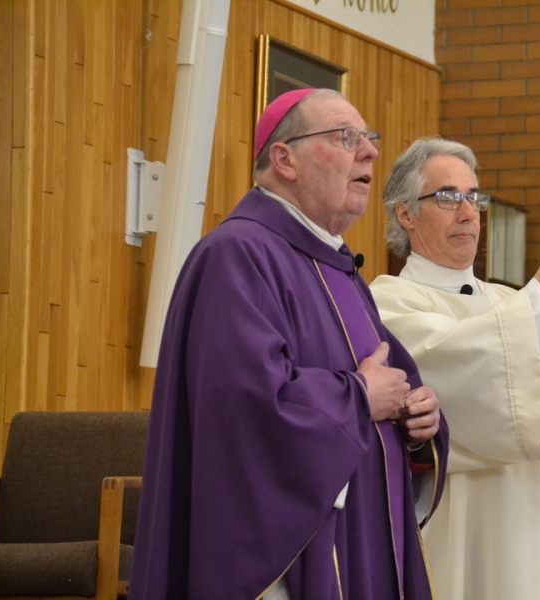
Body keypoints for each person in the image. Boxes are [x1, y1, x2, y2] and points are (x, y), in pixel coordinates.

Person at [129, 89, 449, 600]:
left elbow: (388, 384)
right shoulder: (238, 255)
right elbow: (242, 409)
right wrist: (359, 398)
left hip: (359, 541)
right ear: (284, 159)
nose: (368, 152)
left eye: (369, 139)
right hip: (285, 565)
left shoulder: (340, 269)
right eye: (346, 138)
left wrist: (417, 418)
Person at [368, 136, 540, 600]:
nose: (469, 213)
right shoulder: (386, 302)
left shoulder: (510, 302)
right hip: (465, 531)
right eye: (449, 198)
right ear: (405, 214)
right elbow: (464, 378)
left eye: (475, 198)